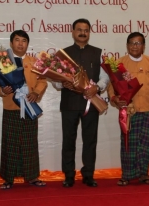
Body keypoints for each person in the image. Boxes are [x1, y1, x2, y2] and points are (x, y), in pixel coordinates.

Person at [56, 18, 109, 188]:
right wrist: (61, 83)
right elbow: (55, 81)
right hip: (69, 103)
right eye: (79, 29)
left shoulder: (97, 53)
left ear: (89, 32)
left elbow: (105, 77)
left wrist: (97, 88)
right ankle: (69, 176)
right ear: (72, 32)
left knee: (90, 140)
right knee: (68, 140)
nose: (82, 33)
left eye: (86, 30)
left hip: (91, 102)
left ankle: (88, 175)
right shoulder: (63, 54)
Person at [0, 30, 48, 189]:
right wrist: (3, 91)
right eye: (17, 40)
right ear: (11, 43)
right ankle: (8, 179)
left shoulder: (34, 61)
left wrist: (36, 92)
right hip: (11, 108)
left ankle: (32, 177)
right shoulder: (3, 62)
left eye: (24, 40)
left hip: (30, 107)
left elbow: (43, 81)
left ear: (27, 44)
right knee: (10, 144)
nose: (20, 43)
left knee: (30, 144)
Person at [108, 32, 149, 186]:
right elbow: (111, 86)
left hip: (146, 110)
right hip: (129, 111)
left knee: (145, 144)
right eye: (131, 43)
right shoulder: (119, 63)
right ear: (127, 45)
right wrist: (114, 98)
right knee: (128, 144)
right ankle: (126, 175)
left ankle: (143, 174)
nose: (134, 46)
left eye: (138, 43)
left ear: (144, 46)